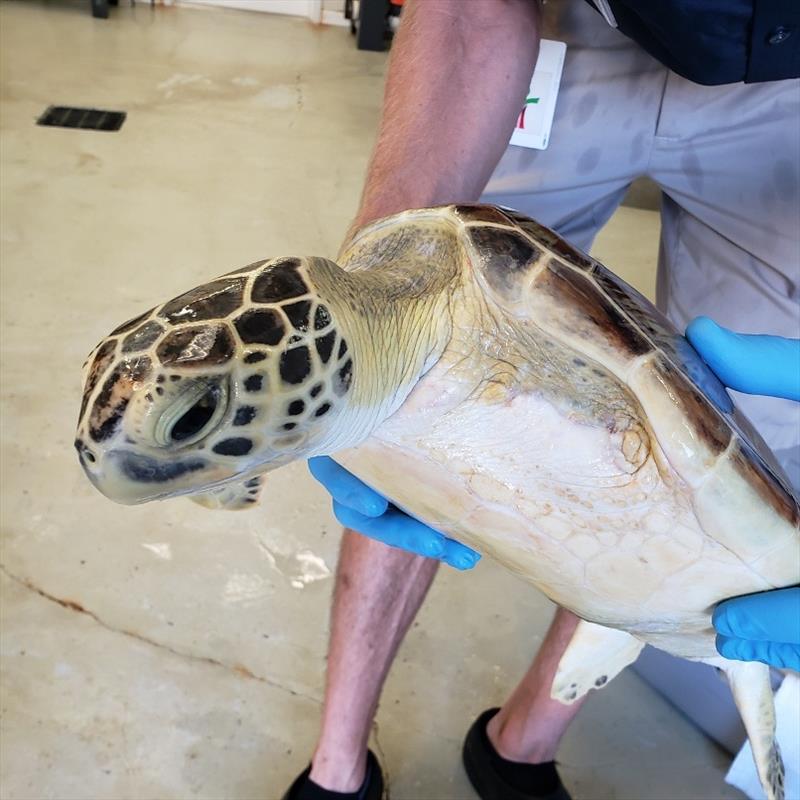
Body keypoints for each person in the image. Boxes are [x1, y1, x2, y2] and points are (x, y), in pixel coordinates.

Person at [282, 2, 800, 798]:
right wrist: (382, 299)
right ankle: (339, 762)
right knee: (419, 373)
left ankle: (519, 745)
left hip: (785, 88)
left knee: (722, 455)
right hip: (574, 24)